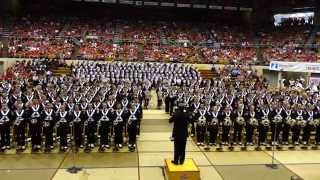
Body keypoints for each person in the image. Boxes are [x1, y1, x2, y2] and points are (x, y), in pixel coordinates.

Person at [171, 100, 190, 165]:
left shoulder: (176, 113)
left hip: (177, 133)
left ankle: (176, 161)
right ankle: (181, 161)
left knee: (177, 148)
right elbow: (190, 119)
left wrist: (173, 113)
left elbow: (170, 120)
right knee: (183, 148)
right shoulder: (187, 113)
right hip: (184, 133)